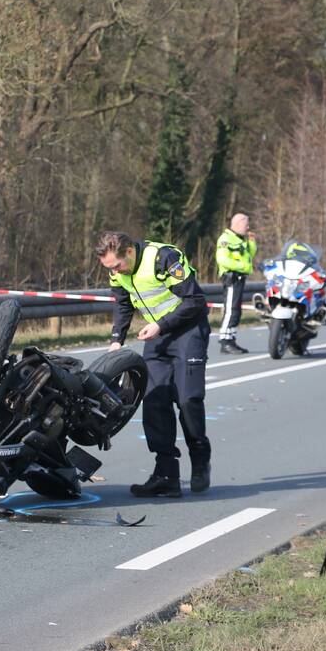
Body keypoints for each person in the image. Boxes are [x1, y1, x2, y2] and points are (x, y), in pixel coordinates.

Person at [95, 231, 211, 497]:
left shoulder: (163, 258)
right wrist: (117, 340)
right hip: (158, 335)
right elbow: (123, 304)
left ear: (129, 252)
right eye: (109, 268)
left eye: (117, 265)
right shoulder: (117, 271)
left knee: (188, 400)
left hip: (188, 330)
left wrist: (161, 325)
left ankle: (200, 461)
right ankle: (166, 475)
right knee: (154, 402)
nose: (114, 271)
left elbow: (195, 300)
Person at [215, 213, 257, 354]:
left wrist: (251, 242)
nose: (248, 227)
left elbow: (249, 256)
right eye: (246, 225)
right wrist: (241, 266)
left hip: (239, 278)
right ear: (238, 223)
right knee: (231, 310)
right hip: (232, 277)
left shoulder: (240, 239)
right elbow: (222, 259)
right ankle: (225, 341)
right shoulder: (226, 239)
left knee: (237, 311)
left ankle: (231, 340)